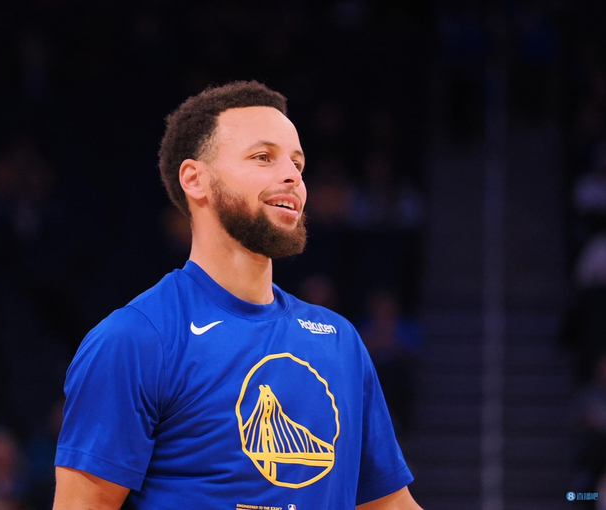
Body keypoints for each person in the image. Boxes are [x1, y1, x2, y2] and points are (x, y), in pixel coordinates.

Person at [53, 81, 422, 509]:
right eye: (263, 157)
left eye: (298, 163)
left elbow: (390, 504)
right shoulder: (137, 338)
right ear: (195, 180)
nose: (293, 176)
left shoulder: (340, 341)